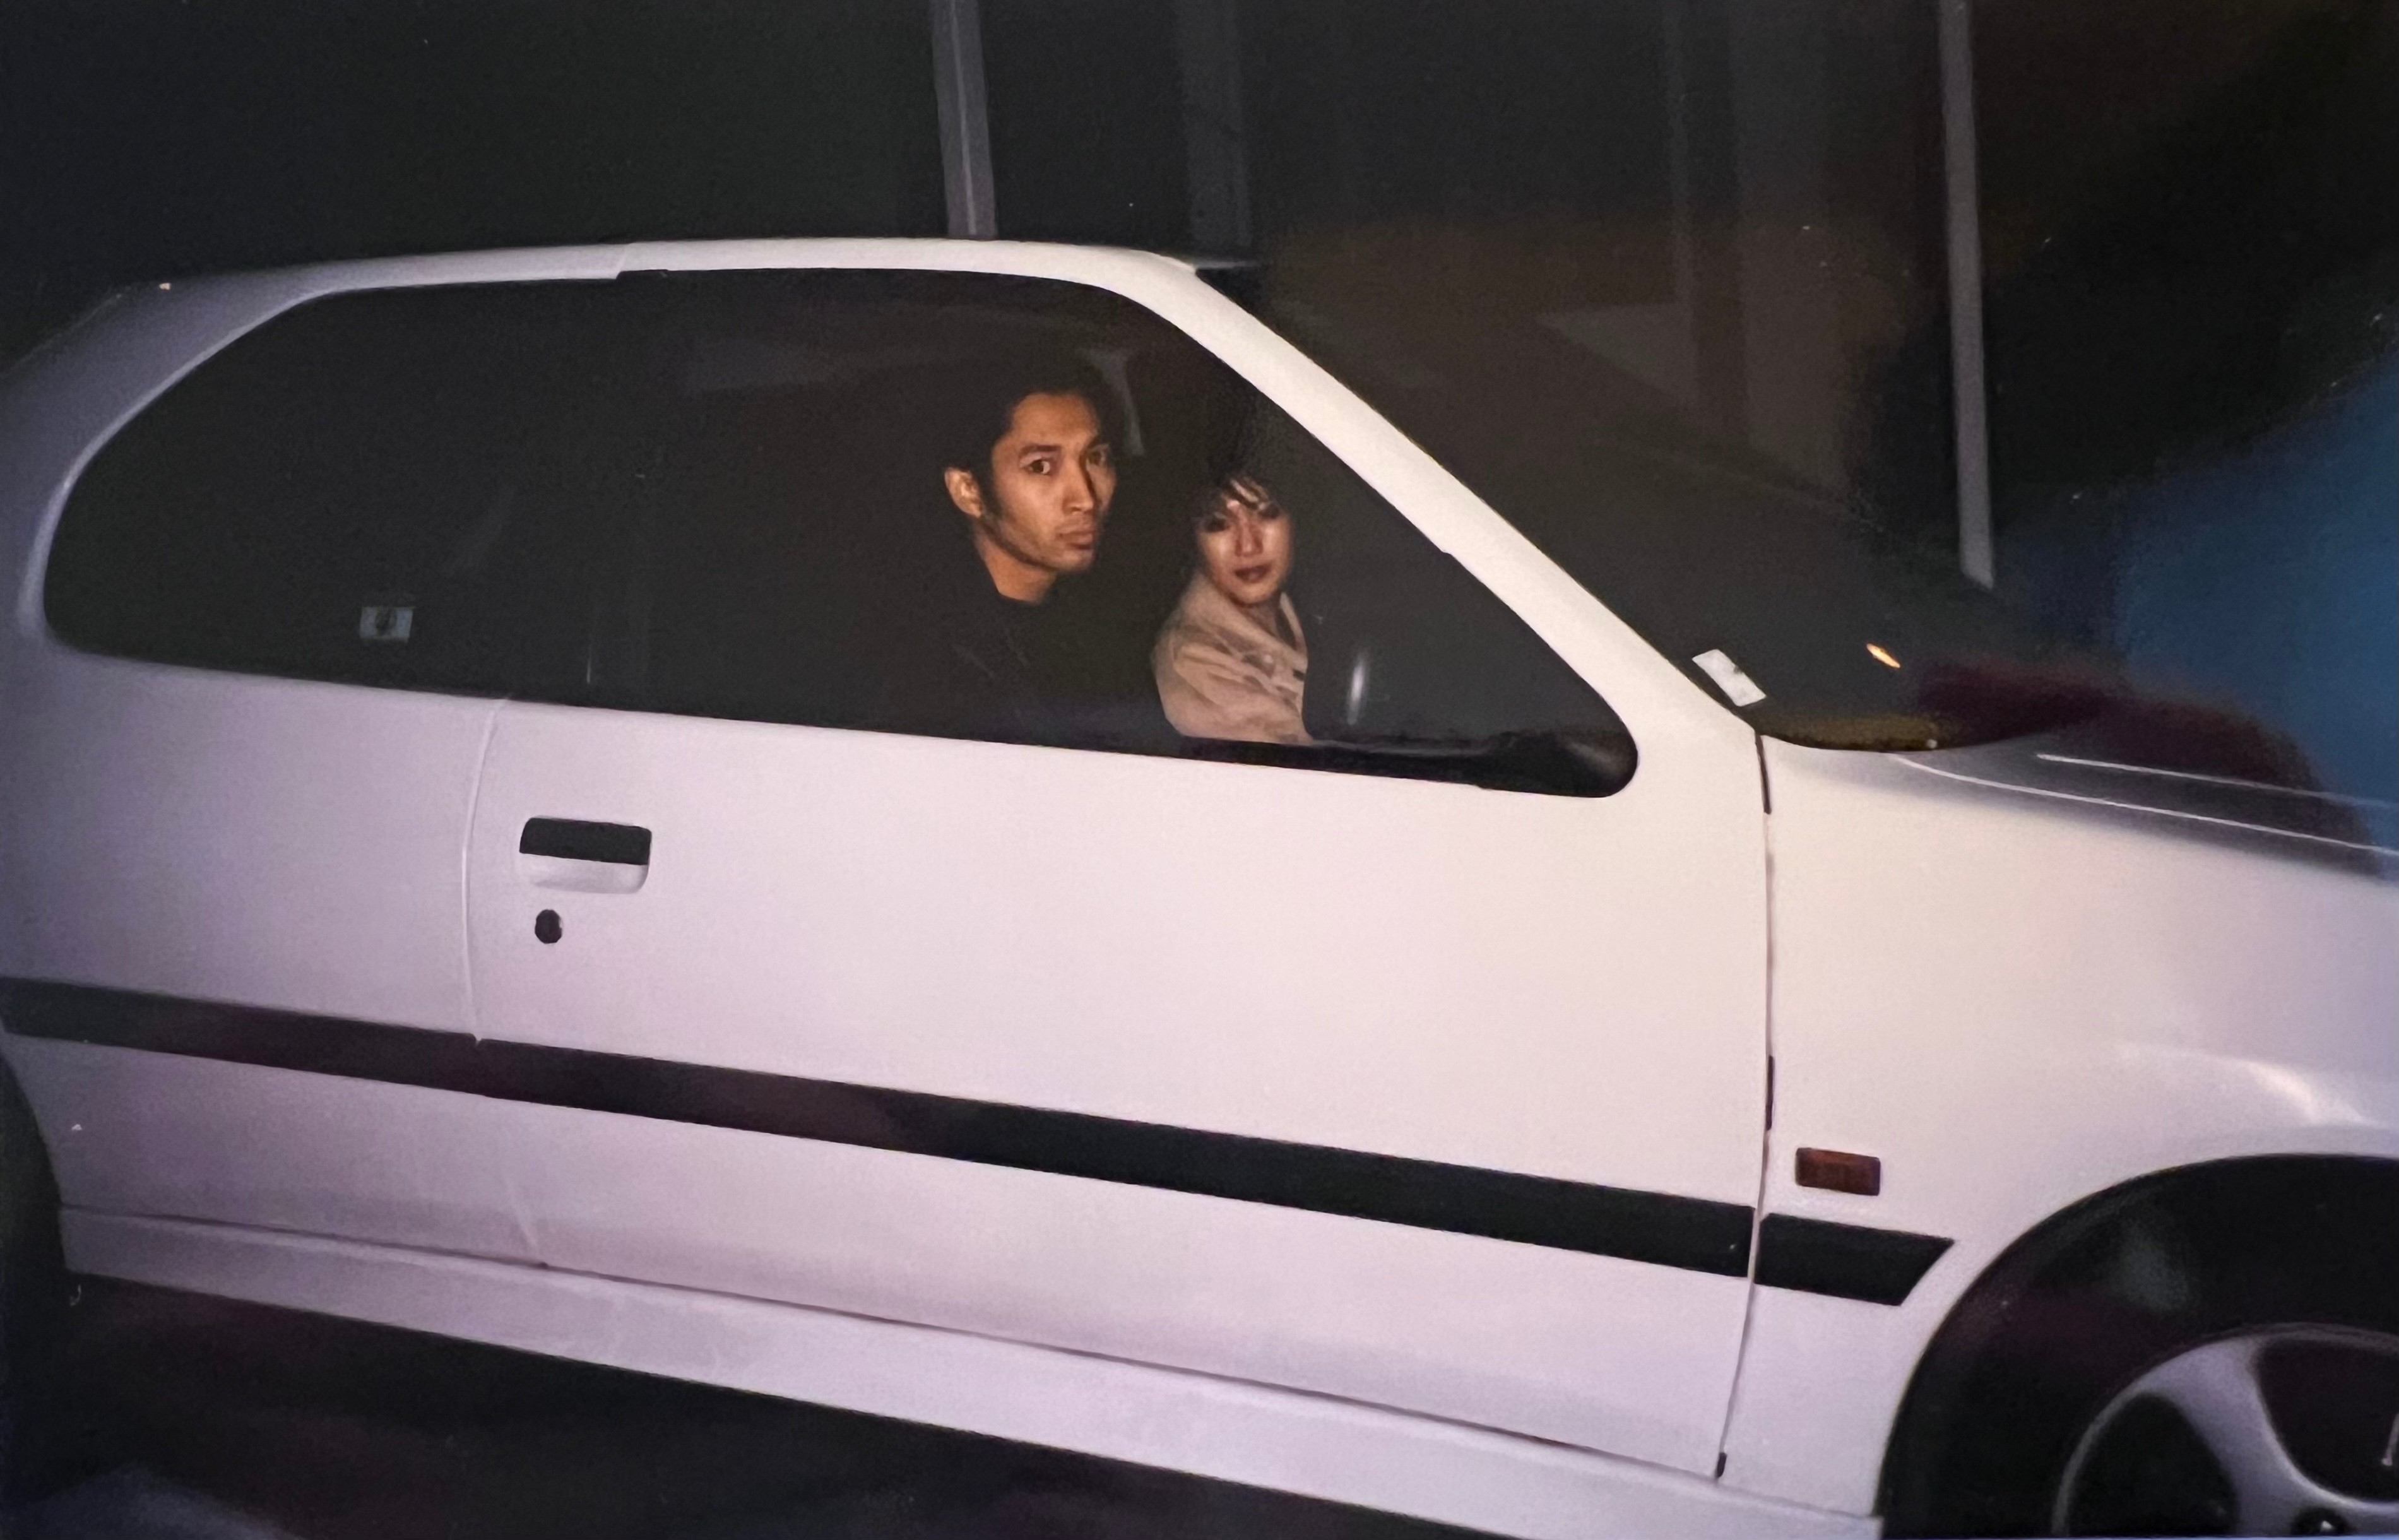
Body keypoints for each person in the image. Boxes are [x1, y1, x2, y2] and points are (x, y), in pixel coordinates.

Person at [878, 350, 1140, 740]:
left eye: (1096, 458)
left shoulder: (1105, 624)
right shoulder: (935, 664)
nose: (1085, 497)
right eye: (1041, 467)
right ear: (969, 491)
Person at [1152, 473, 1312, 745]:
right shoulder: (1195, 660)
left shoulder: (1309, 608)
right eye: (1218, 524)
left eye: (1267, 513)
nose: (1248, 545)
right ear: (1193, 539)